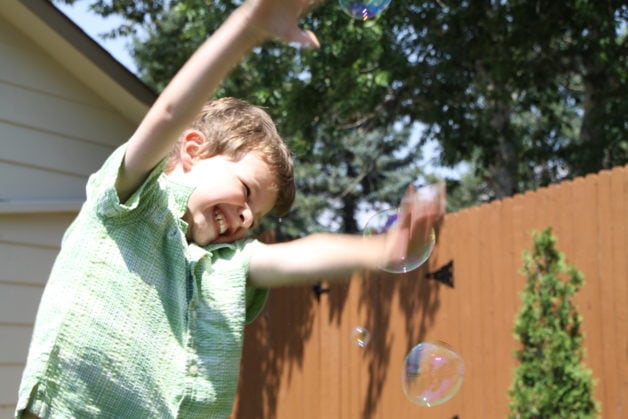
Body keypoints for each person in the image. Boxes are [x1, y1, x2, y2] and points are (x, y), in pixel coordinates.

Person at [16, 0, 445, 417]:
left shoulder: (224, 265)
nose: (244, 219)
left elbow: (298, 255)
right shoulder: (128, 204)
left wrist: (382, 251)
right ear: (192, 149)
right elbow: (167, 113)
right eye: (245, 191)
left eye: (255, 219)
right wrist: (248, 26)